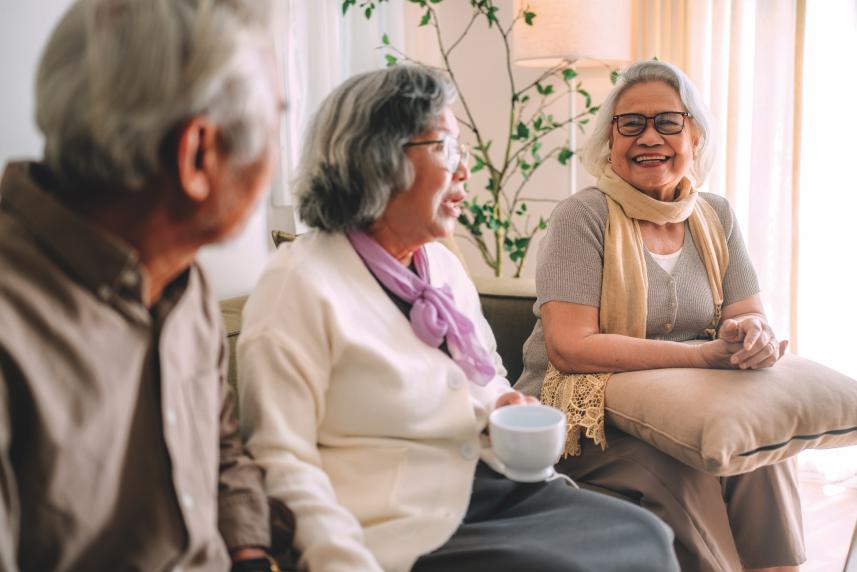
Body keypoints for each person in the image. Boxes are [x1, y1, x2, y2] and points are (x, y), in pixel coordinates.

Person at [236, 64, 679, 572]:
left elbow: (485, 374)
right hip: (398, 520)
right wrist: (339, 560)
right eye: (445, 149)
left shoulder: (441, 265)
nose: (464, 170)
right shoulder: (299, 283)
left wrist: (499, 405)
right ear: (378, 159)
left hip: (492, 486)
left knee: (646, 534)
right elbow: (282, 458)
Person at [0, 1, 287, 570]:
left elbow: (223, 450)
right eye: (277, 122)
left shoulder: (186, 283)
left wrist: (250, 553)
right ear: (198, 155)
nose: (278, 159)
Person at [514, 59, 805, 572]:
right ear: (611, 139)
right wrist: (702, 357)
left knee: (762, 455)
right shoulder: (582, 217)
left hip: (689, 410)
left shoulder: (716, 215)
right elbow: (570, 346)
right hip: (590, 422)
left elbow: (748, 313)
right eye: (632, 123)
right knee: (685, 471)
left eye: (668, 121)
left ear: (694, 134)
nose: (650, 136)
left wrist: (752, 333)